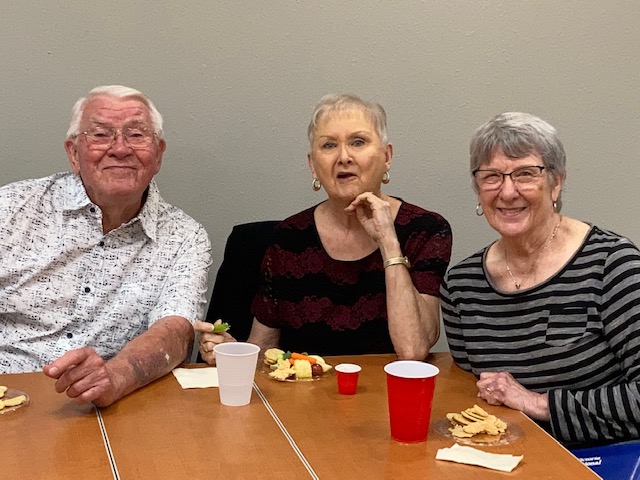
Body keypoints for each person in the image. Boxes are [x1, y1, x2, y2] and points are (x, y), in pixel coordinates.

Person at [199, 93, 451, 364]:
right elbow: (265, 350)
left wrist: (388, 241)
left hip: (391, 389)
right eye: (329, 145)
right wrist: (231, 352)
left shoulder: (425, 230)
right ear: (313, 166)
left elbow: (413, 350)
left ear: (387, 156)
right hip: (307, 389)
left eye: (358, 142)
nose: (344, 157)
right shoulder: (288, 238)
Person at [0, 85, 211, 407]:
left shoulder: (184, 236)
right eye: (100, 135)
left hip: (114, 405)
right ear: (74, 153)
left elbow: (176, 330)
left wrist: (116, 377)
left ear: (158, 154)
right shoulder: (10, 209)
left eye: (136, 135)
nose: (120, 148)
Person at [441, 111, 640, 445]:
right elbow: (473, 398)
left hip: (605, 460)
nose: (507, 192)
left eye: (525, 174)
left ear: (556, 182)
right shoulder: (462, 286)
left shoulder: (612, 264)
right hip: (507, 458)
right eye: (491, 176)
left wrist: (537, 403)